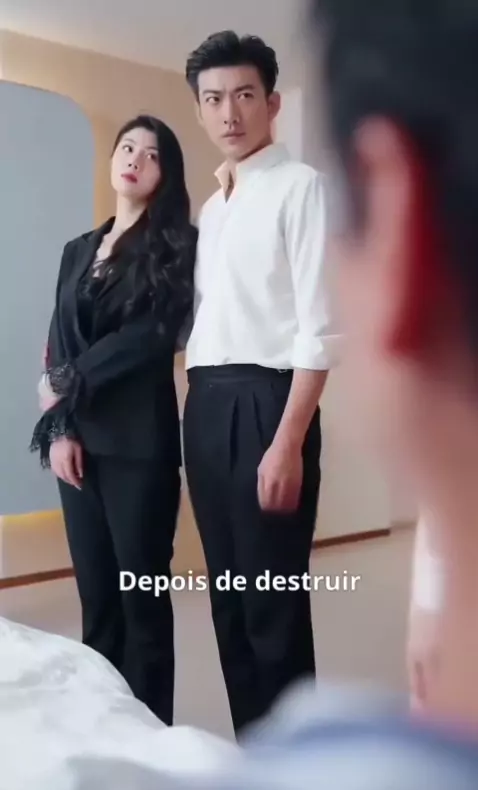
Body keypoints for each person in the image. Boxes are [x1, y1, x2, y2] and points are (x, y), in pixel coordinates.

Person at [181, 31, 339, 737]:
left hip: (266, 404)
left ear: (271, 103)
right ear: (199, 110)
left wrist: (287, 442)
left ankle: (296, 761)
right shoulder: (213, 207)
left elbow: (319, 326)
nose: (229, 112)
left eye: (244, 94)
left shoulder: (301, 187)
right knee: (228, 598)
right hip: (205, 404)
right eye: (214, 98)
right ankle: (256, 751)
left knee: (272, 600)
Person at [30, 114, 197, 726]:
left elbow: (152, 337)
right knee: (97, 602)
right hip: (78, 444)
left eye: (151, 154)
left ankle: (150, 738)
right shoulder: (77, 249)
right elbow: (58, 338)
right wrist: (60, 429)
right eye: (127, 147)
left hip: (139, 448)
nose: (134, 159)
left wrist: (68, 380)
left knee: (141, 601)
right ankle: (105, 729)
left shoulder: (177, 246)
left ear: (164, 173)